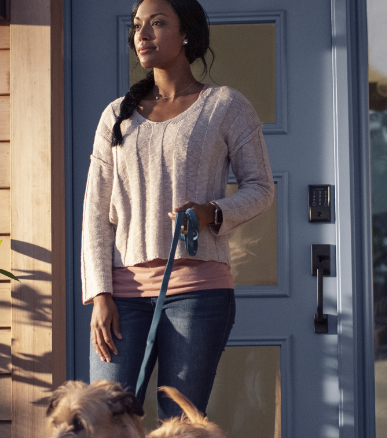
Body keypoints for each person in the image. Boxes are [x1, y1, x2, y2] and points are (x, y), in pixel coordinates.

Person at [81, 0, 274, 420]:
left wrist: (211, 211)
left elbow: (261, 188)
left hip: (198, 292)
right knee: (103, 419)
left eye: (157, 23)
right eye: (137, 25)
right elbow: (96, 212)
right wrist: (100, 294)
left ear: (185, 32)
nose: (142, 34)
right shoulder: (117, 116)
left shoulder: (226, 106)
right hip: (122, 297)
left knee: (180, 423)